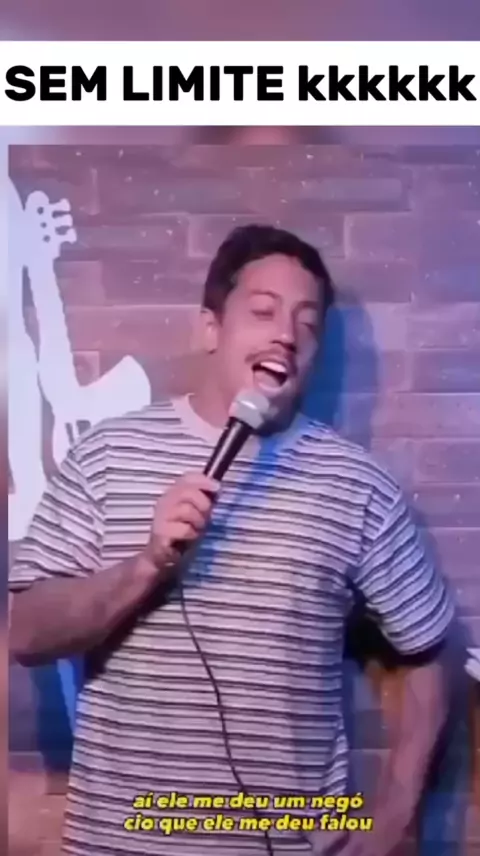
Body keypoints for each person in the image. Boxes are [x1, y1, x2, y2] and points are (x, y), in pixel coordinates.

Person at [9, 224, 454, 856]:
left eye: (307, 323)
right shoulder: (108, 455)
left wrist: (394, 822)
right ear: (210, 328)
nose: (286, 335)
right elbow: (26, 633)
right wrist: (145, 565)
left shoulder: (357, 484)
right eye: (263, 312)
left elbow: (429, 655)